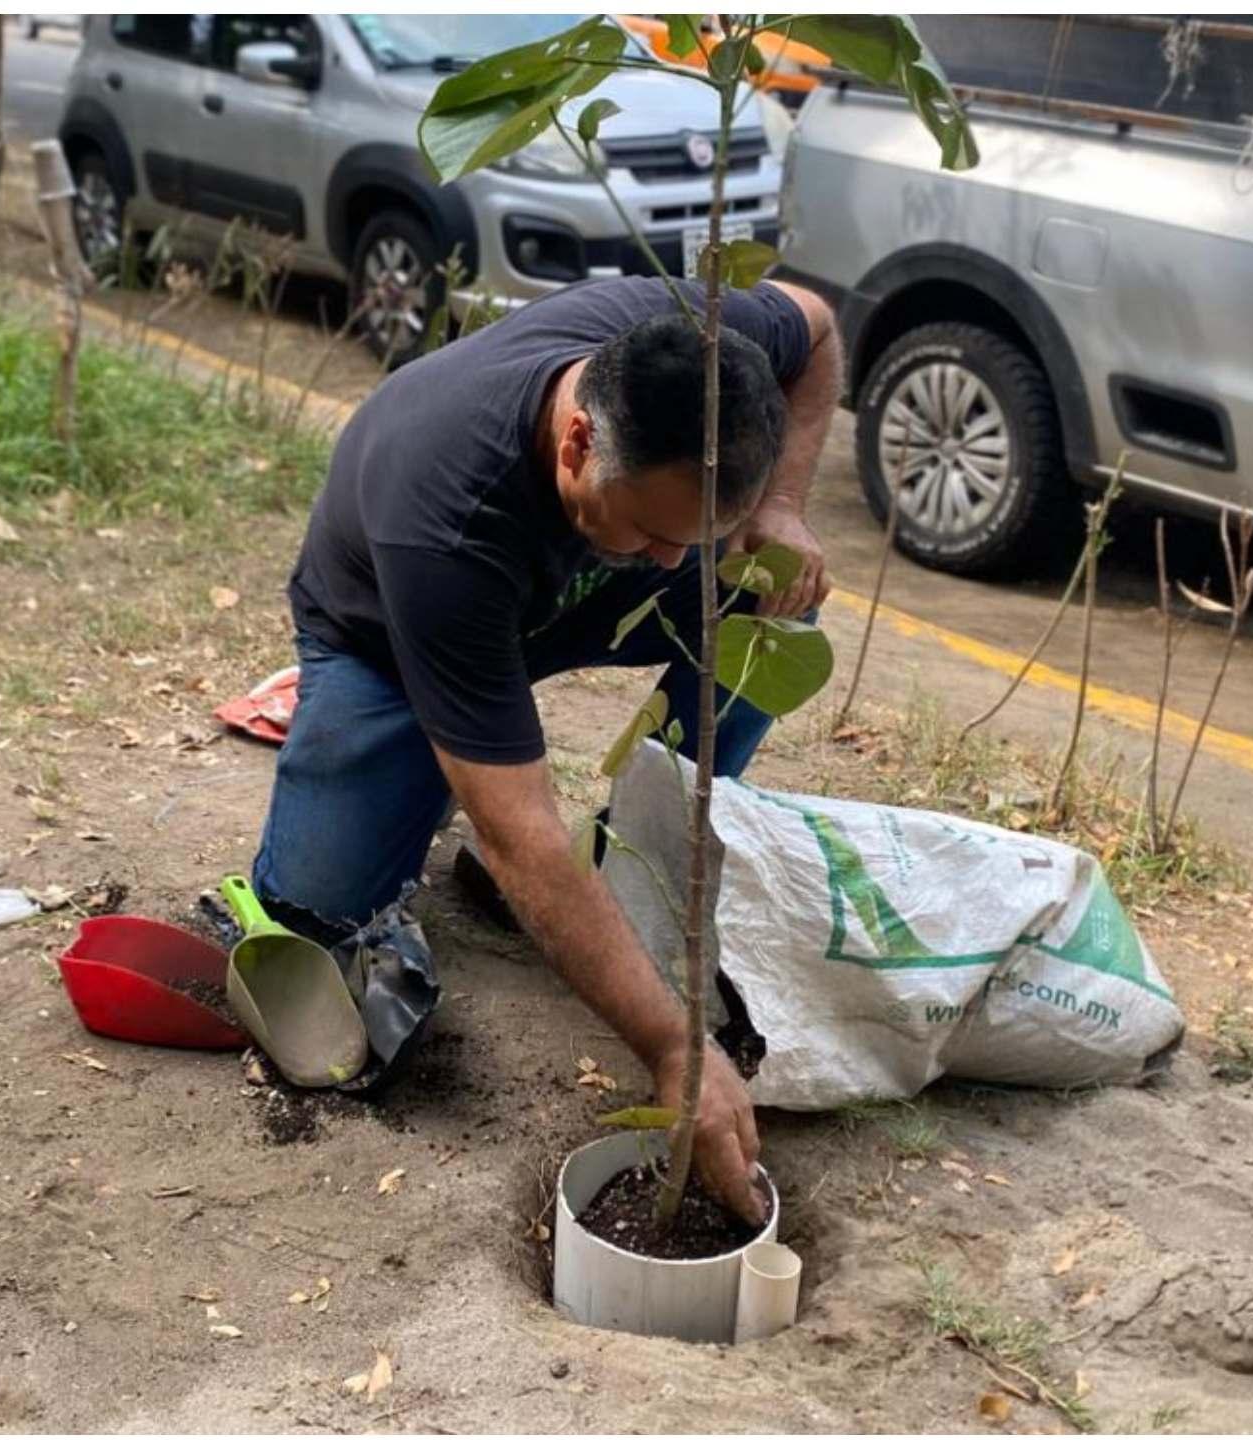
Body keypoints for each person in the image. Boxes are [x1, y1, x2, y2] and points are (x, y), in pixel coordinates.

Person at [252, 274, 839, 1222]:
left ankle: (629, 857)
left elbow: (816, 325)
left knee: (778, 598)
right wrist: (674, 1044)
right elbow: (522, 837)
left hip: (565, 587)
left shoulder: (688, 346)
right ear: (576, 442)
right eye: (656, 529)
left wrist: (781, 505)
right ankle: (442, 742)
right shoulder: (447, 516)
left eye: (694, 534)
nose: (676, 561)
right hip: (389, 638)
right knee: (315, 916)